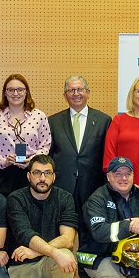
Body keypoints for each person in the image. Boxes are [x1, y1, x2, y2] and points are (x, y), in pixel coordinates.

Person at [6, 154, 77, 278]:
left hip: (47, 262)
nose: (42, 178)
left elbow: (68, 239)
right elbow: (25, 234)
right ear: (29, 175)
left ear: (54, 176)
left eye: (47, 173)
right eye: (37, 173)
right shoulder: (15, 199)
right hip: (23, 263)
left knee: (66, 255)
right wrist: (47, 251)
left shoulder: (65, 198)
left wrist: (38, 251)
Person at [48, 75, 112, 219]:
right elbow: (49, 156)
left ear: (88, 92)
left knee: (90, 232)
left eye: (80, 89)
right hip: (62, 186)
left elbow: (106, 156)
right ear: (65, 95)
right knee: (62, 228)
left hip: (93, 187)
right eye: (71, 90)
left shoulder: (104, 120)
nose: (76, 94)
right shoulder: (53, 121)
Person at [0, 74, 51, 197]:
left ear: (26, 92)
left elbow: (45, 145)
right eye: (11, 90)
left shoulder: (39, 116)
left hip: (30, 174)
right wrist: (3, 161)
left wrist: (32, 161)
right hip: (0, 174)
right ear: (5, 93)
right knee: (0, 213)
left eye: (20, 89)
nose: (15, 93)